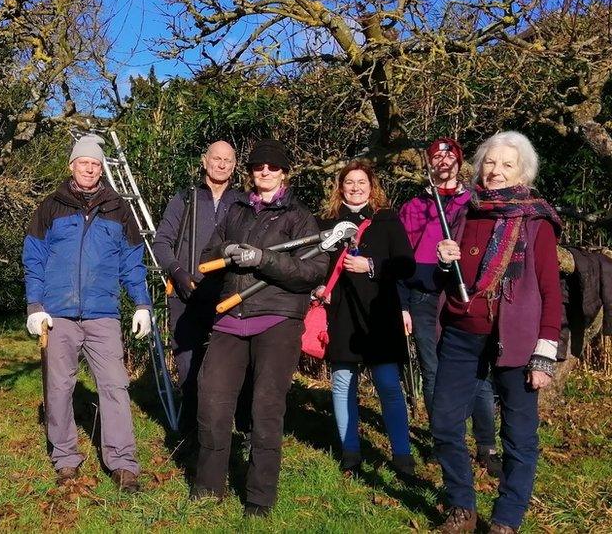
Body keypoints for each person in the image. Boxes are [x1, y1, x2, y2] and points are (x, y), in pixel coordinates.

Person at [431, 131, 562, 534]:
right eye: (490, 162)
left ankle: (506, 519)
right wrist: (443, 259)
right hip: (462, 329)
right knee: (444, 423)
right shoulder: (464, 211)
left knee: (519, 434)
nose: (496, 171)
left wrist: (545, 350)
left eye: (507, 164)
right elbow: (451, 273)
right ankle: (461, 506)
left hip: (517, 339)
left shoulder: (536, 220)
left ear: (522, 171)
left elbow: (550, 291)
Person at [192, 139, 327, 517]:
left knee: (266, 408)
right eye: (257, 166)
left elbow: (312, 271)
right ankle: (208, 487)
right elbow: (208, 255)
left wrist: (263, 259)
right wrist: (226, 254)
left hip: (278, 320)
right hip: (230, 319)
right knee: (213, 400)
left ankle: (259, 498)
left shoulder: (299, 216)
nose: (264, 171)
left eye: (272, 166)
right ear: (249, 173)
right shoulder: (235, 211)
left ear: (284, 172)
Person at [22, 134, 153, 493]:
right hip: (58, 314)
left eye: (95, 164)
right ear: (72, 166)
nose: (90, 168)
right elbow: (34, 258)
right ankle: (65, 459)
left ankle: (123, 463)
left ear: (101, 169)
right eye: (84, 162)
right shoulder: (51, 207)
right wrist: (35, 306)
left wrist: (142, 303)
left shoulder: (118, 209)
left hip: (103, 313)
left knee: (114, 386)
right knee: (60, 387)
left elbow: (132, 261)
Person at [398, 138, 501, 476]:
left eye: (449, 155)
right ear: (428, 164)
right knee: (433, 370)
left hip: (463, 295)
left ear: (459, 162)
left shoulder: (474, 201)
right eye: (435, 156)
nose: (442, 161)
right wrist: (403, 306)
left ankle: (486, 444)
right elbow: (402, 260)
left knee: (476, 371)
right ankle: (444, 440)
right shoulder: (414, 207)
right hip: (424, 297)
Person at [315, 161, 416, 476]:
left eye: (361, 182)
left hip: (380, 313)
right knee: (343, 382)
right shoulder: (328, 222)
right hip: (342, 312)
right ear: (340, 187)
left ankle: (402, 456)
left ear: (372, 187)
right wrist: (319, 286)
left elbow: (406, 265)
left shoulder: (387, 220)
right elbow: (316, 264)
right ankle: (351, 453)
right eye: (349, 182)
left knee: (388, 384)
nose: (355, 187)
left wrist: (372, 266)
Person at [151, 140, 243, 432]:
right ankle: (191, 431)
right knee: (187, 359)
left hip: (226, 294)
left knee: (225, 363)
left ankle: (223, 428)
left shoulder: (242, 203)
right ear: (204, 161)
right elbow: (162, 242)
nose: (221, 164)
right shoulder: (185, 199)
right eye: (216, 158)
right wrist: (178, 273)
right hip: (185, 293)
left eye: (227, 160)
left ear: (235, 165)